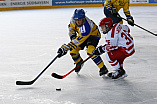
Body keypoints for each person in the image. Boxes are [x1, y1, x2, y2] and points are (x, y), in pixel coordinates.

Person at [57, 9, 108, 76]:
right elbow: (71, 28)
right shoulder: (73, 19)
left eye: (80, 20)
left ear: (83, 18)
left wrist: (66, 48)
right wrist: (72, 35)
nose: (78, 22)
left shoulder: (87, 27)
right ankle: (79, 62)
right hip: (81, 36)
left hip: (93, 36)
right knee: (73, 51)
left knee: (90, 51)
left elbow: (78, 41)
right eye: (76, 20)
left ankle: (103, 68)